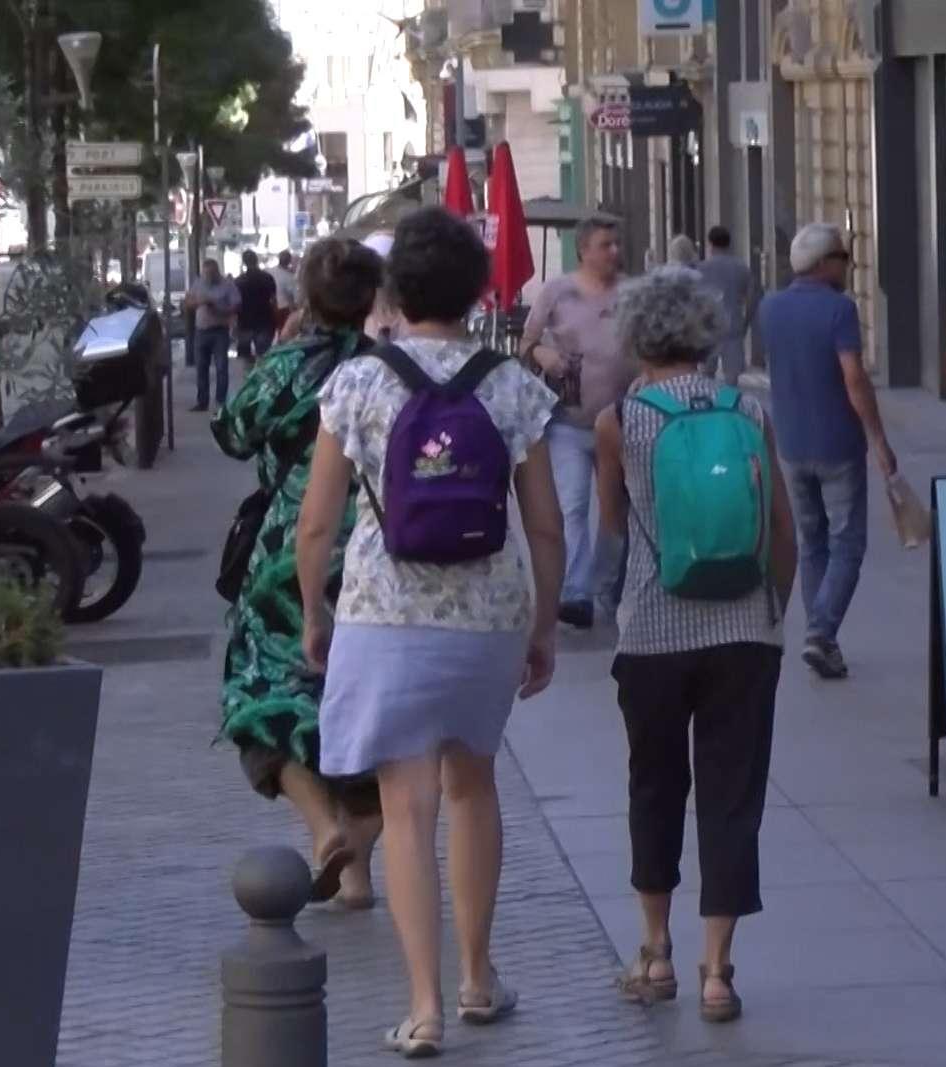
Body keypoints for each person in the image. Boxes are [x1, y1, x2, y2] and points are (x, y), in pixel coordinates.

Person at [297, 207, 566, 1057]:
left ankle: (422, 1008)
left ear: (394, 291)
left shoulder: (357, 382)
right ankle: (478, 976)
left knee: (404, 809)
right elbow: (548, 524)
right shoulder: (513, 382)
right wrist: (545, 623)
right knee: (472, 786)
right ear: (478, 289)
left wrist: (314, 610)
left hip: (383, 613)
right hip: (487, 615)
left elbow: (316, 522)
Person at [592, 267, 798, 1024]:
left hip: (652, 630)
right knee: (730, 793)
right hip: (744, 632)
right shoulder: (748, 408)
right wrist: (773, 609)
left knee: (654, 785)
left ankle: (655, 950)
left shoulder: (620, 419)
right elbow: (780, 526)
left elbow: (611, 527)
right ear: (704, 332)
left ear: (637, 338)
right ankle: (718, 969)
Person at [214, 237, 386, 910]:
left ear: (307, 297)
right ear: (371, 299)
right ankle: (357, 870)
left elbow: (231, 433)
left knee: (261, 696)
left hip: (290, 553)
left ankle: (324, 830)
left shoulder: (287, 363)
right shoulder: (384, 367)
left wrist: (283, 346)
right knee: (362, 703)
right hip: (376, 553)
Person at [757, 224, 897, 680]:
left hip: (792, 443)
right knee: (848, 542)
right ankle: (821, 630)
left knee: (812, 541)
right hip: (837, 443)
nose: (849, 264)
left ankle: (823, 637)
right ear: (822, 263)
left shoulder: (771, 307)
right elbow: (853, 377)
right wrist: (878, 439)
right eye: (843, 256)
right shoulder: (840, 310)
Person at [520, 216, 634, 630]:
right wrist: (542, 355)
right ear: (584, 249)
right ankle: (576, 593)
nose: (615, 252)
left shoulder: (632, 294)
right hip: (569, 421)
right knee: (572, 506)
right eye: (606, 244)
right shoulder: (557, 291)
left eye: (617, 244)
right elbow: (527, 343)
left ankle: (608, 586)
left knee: (618, 509)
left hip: (622, 419)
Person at [694, 226, 755, 386]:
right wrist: (745, 323)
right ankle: (729, 408)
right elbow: (751, 300)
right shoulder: (742, 268)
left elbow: (694, 301)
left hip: (708, 328)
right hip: (733, 327)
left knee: (705, 376)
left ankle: (708, 408)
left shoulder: (701, 269)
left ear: (710, 244)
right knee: (731, 379)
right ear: (729, 244)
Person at [185, 259, 240, 411]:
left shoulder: (227, 285)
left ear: (217, 272)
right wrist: (198, 303)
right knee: (201, 367)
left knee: (221, 366)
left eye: (211, 274)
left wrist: (218, 307)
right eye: (206, 274)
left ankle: (220, 401)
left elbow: (236, 305)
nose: (208, 277)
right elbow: (188, 303)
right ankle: (202, 401)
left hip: (219, 330)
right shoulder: (198, 283)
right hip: (201, 330)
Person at [235, 250, 279, 365]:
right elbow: (273, 300)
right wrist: (276, 318)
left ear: (244, 262)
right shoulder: (267, 278)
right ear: (256, 260)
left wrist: (234, 322)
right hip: (265, 319)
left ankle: (249, 377)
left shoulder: (239, 281)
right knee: (263, 355)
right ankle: (260, 377)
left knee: (246, 356)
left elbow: (236, 304)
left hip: (245, 321)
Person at [271, 249, 300, 336]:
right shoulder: (290, 277)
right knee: (282, 331)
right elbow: (296, 298)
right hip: (284, 309)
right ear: (289, 261)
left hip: (270, 307)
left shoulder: (269, 271)